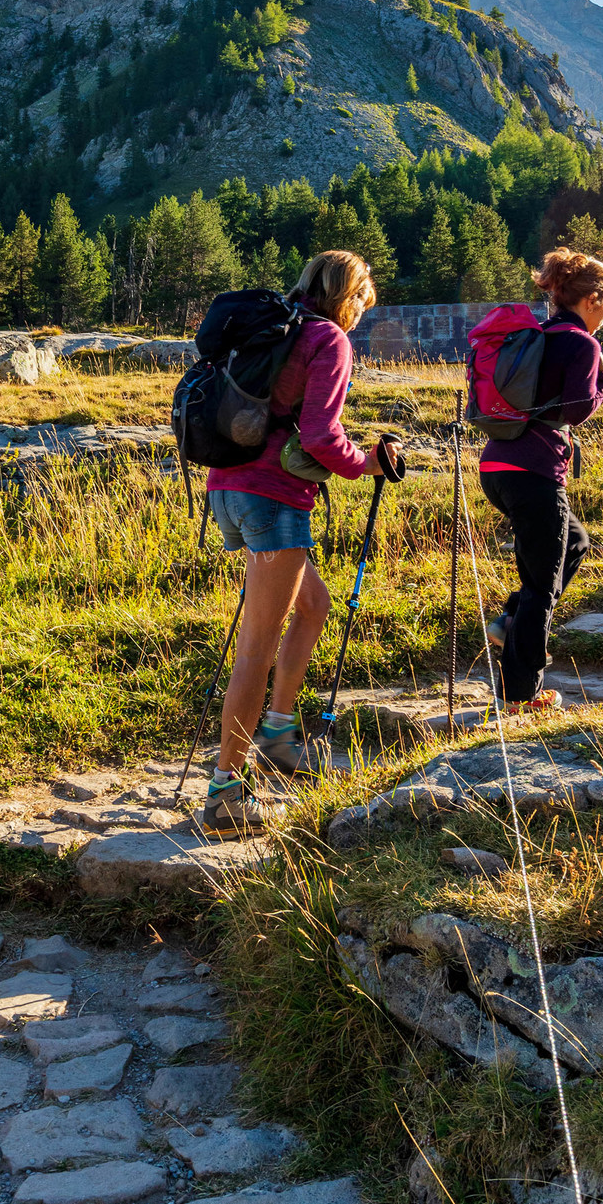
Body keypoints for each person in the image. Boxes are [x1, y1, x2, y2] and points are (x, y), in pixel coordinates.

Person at [203, 249, 402, 830]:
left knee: (313, 603)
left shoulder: (270, 329)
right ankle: (226, 792)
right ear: (350, 297)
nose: (360, 318)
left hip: (228, 487)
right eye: (362, 306)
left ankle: (280, 734)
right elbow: (318, 435)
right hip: (273, 497)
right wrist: (365, 464)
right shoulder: (328, 340)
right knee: (256, 648)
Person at [478, 245, 603, 711]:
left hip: (496, 466)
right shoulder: (582, 344)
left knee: (575, 542)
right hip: (534, 472)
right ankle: (522, 697)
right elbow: (579, 409)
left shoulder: (534, 335)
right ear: (592, 299)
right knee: (542, 585)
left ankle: (512, 617)